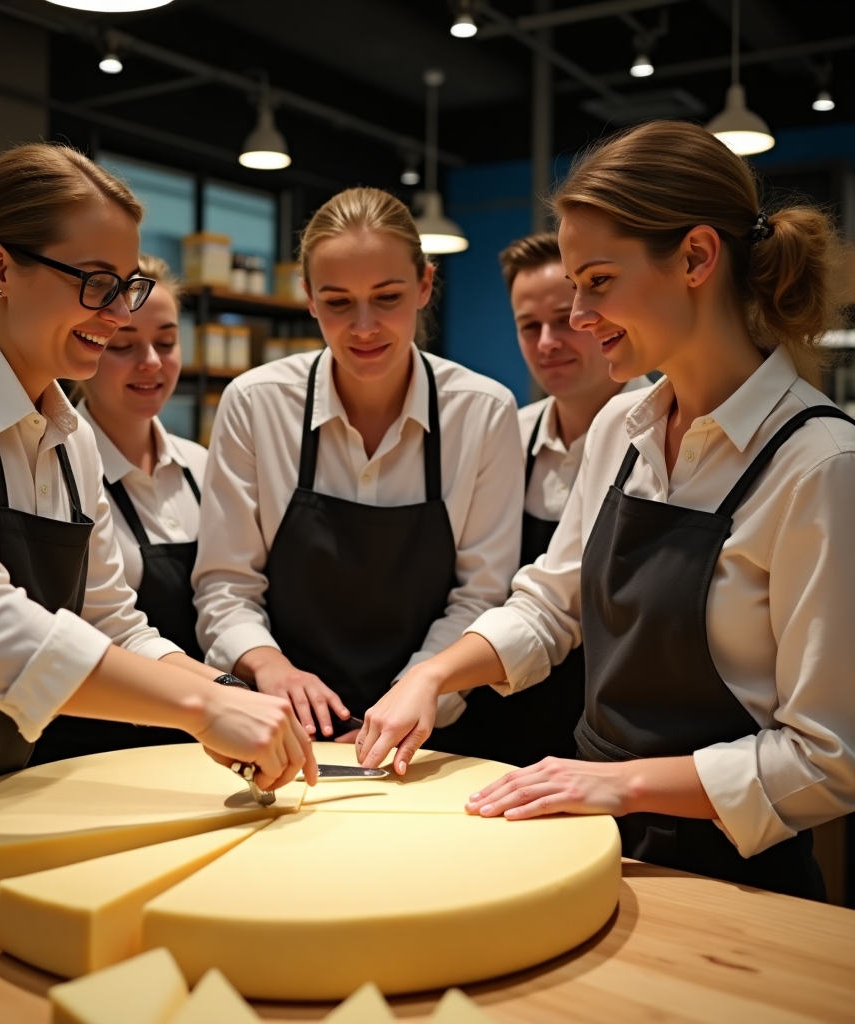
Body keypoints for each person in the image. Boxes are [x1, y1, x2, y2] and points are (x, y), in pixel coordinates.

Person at [356, 120, 855, 900]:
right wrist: (434, 675)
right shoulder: (625, 428)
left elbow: (831, 759)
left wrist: (621, 785)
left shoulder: (819, 465)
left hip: (732, 873)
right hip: (595, 839)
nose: (579, 315)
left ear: (695, 257)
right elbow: (551, 607)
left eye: (596, 281)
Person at [0, 144, 314, 928]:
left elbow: (109, 617)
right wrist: (197, 709)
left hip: (0, 804)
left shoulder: (66, 431)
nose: (120, 315)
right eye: (95, 284)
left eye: (126, 286)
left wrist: (221, 692)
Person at [192, 187, 523, 741]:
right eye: (339, 302)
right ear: (310, 299)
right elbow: (226, 585)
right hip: (281, 730)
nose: (364, 326)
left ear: (424, 285)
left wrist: (414, 696)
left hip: (430, 733)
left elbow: (481, 595)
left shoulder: (484, 412)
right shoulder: (255, 403)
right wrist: (270, 668)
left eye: (387, 297)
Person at [430, 233, 648, 765]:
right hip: (495, 716)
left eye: (565, 317)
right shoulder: (506, 436)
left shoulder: (669, 435)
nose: (549, 340)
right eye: (530, 326)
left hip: (614, 737)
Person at [30, 254, 206, 763]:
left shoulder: (204, 466)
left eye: (167, 342)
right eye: (124, 345)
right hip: (92, 748)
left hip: (198, 742)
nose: (151, 361)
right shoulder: (55, 466)